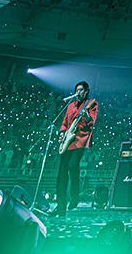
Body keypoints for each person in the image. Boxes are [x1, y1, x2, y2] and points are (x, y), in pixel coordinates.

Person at [56, 81, 97, 215]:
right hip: (68, 141)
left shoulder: (91, 104)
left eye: (81, 90)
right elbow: (64, 122)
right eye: (77, 90)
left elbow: (91, 122)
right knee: (62, 173)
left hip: (80, 141)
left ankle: (74, 196)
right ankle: (60, 207)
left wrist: (86, 116)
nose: (78, 92)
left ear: (86, 91)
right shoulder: (70, 105)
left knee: (72, 165)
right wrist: (62, 133)